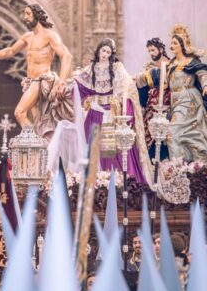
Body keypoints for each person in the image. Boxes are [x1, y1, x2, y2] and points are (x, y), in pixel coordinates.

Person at [0, 4, 74, 138]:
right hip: (30, 82)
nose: (25, 17)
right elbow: (10, 51)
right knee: (39, 121)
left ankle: (32, 142)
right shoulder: (27, 37)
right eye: (24, 14)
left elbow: (66, 56)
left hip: (42, 80)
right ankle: (45, 144)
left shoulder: (50, 36)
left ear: (37, 15)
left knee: (19, 112)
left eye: (28, 14)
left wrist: (61, 82)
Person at [74, 38, 153, 185]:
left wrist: (121, 104)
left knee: (110, 148)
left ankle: (113, 179)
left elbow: (127, 87)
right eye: (103, 50)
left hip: (110, 112)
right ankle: (97, 180)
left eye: (108, 52)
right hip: (95, 112)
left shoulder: (116, 68)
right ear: (99, 50)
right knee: (92, 146)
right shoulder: (90, 69)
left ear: (111, 54)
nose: (105, 54)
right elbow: (78, 84)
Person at [142, 24, 207, 162]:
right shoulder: (171, 64)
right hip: (175, 103)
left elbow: (202, 73)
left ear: (182, 45)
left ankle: (180, 165)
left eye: (175, 43)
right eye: (171, 43)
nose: (171, 46)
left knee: (173, 132)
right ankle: (182, 166)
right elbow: (163, 80)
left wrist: (205, 85)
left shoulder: (191, 61)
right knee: (176, 135)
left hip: (189, 102)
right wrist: (141, 79)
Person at [136, 38, 170, 159]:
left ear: (160, 49)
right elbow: (142, 85)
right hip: (151, 105)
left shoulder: (170, 65)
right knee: (148, 133)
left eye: (153, 50)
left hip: (165, 105)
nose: (151, 53)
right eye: (149, 51)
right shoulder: (149, 66)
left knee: (163, 135)